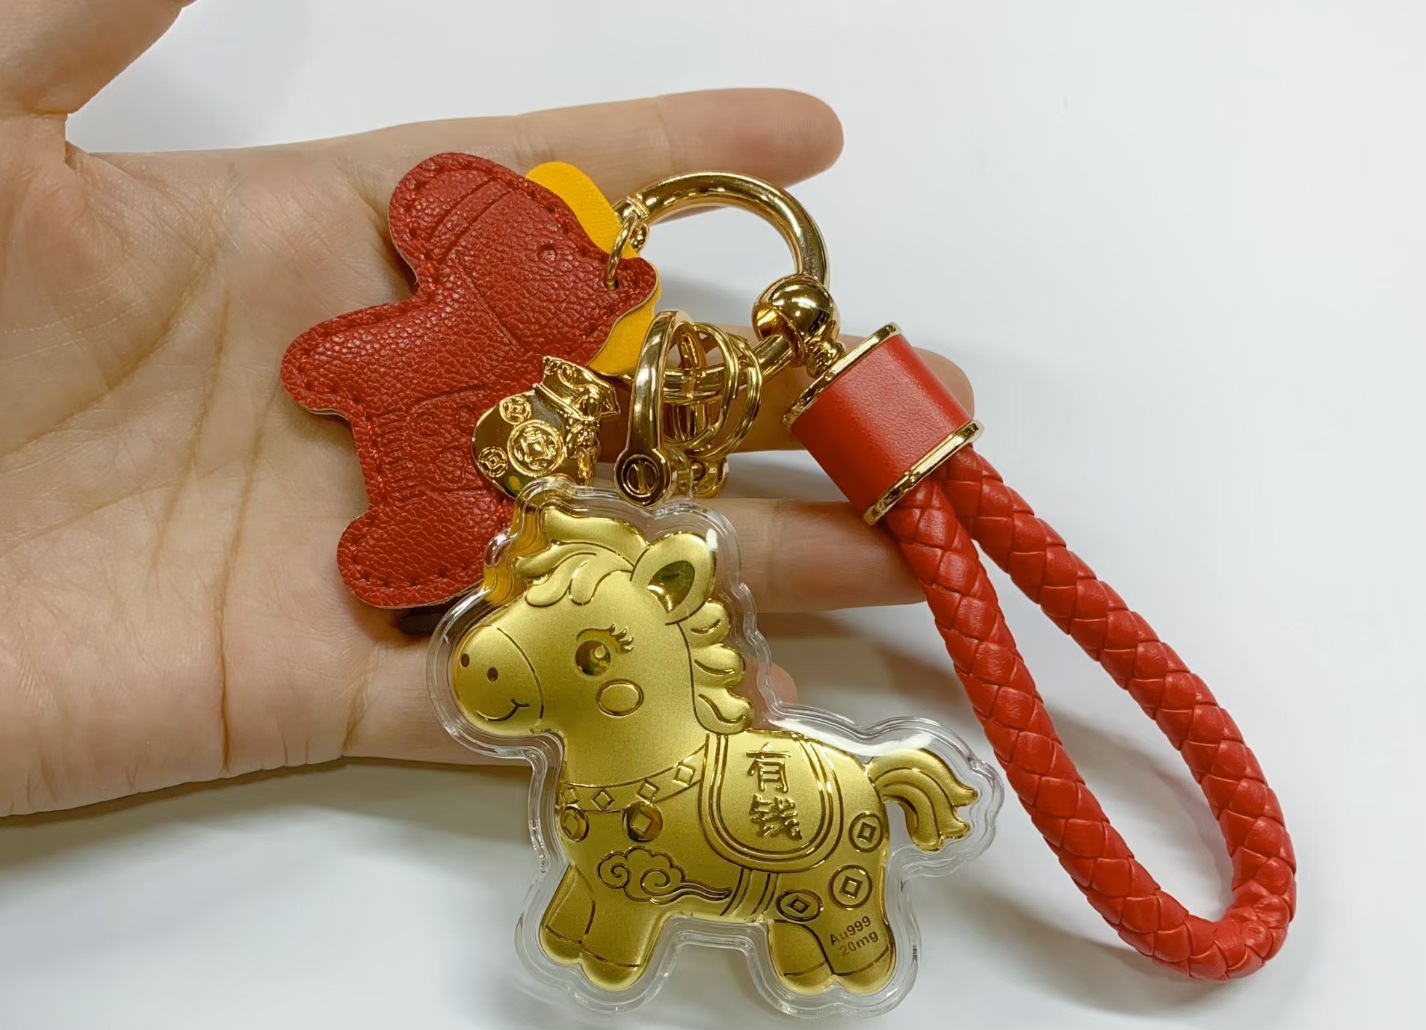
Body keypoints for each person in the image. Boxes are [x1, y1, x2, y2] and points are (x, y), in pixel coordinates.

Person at [0, 0, 973, 817]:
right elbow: (344, 367)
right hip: (448, 503)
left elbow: (349, 364)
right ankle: (417, 540)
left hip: (460, 510)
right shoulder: (457, 332)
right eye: (539, 253)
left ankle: (421, 539)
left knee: (441, 521)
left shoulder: (530, 369)